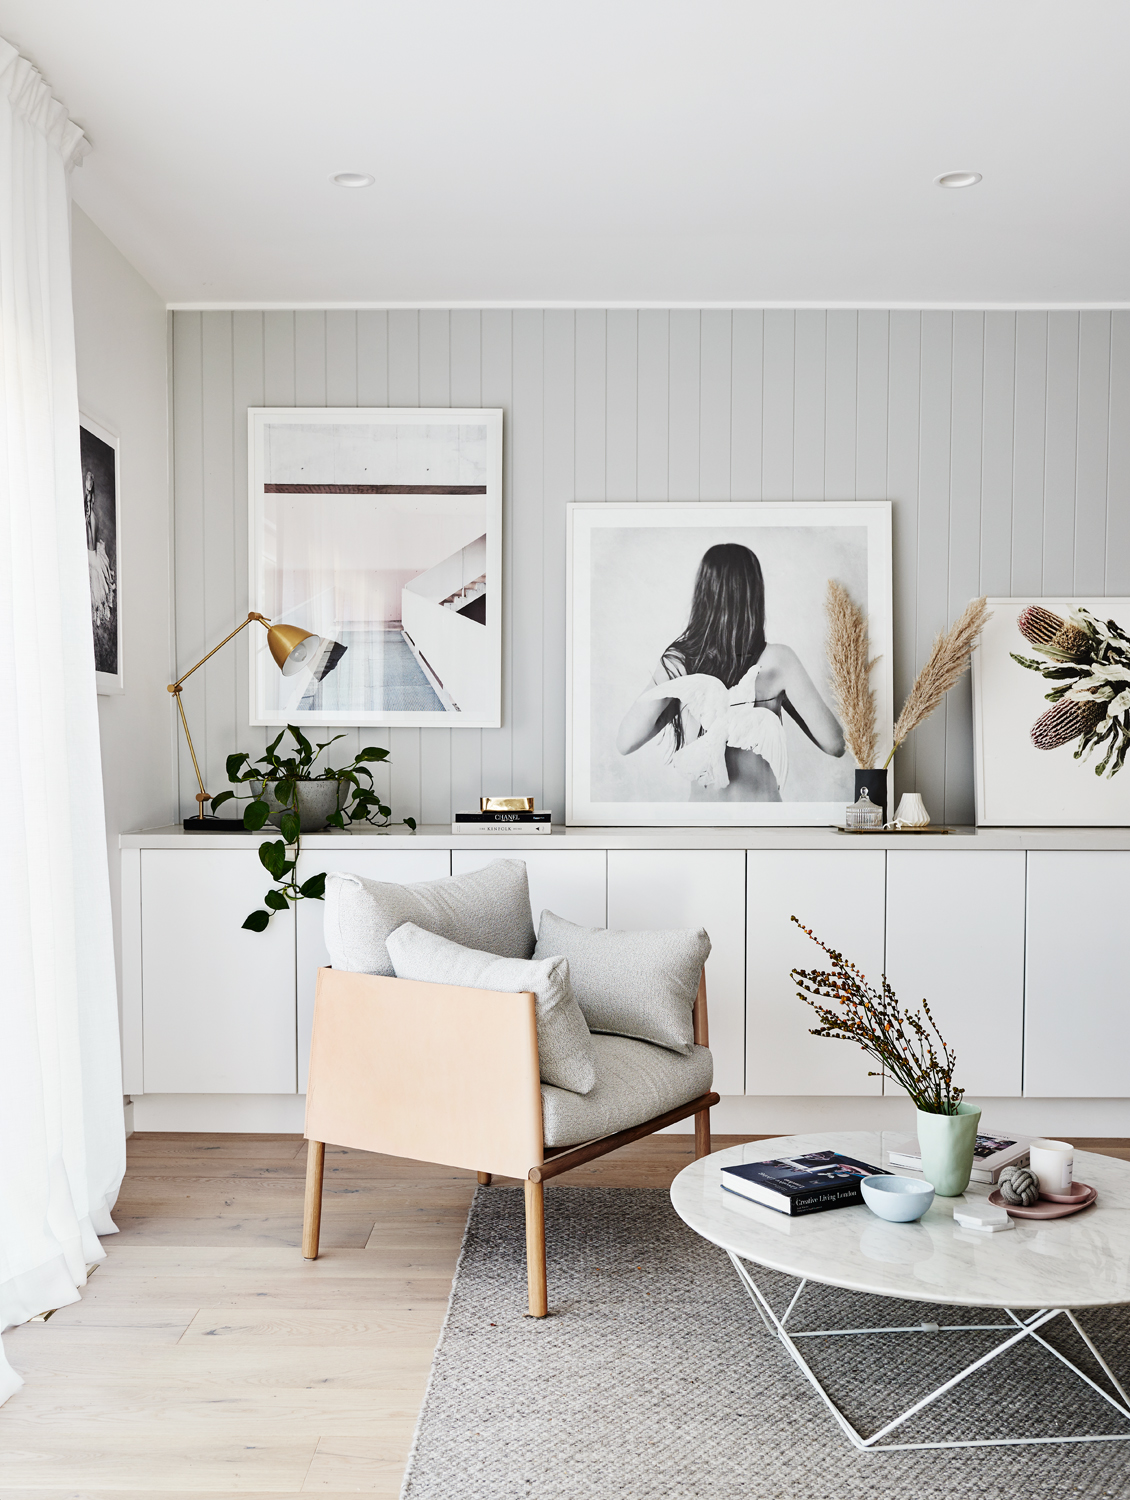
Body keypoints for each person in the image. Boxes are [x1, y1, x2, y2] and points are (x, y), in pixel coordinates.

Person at [615, 542, 844, 802]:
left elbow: (625, 742)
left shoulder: (680, 662)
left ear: (702, 595)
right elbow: (835, 744)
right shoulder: (779, 661)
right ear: (755, 594)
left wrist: (679, 699)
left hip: (702, 828)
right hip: (764, 825)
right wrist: (781, 698)